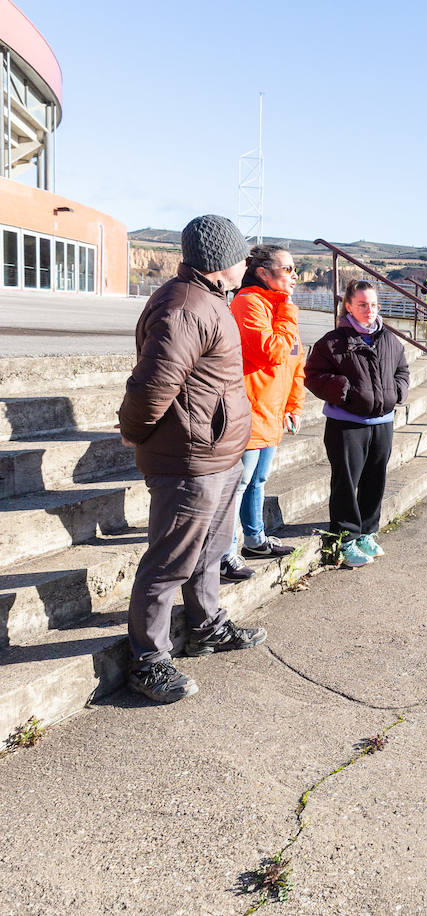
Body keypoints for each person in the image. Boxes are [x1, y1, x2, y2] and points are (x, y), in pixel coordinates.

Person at [117, 214, 265, 703]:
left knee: (209, 552)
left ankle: (206, 627)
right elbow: (154, 384)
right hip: (188, 460)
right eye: (243, 256)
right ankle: (149, 660)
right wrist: (134, 432)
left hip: (218, 455)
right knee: (170, 561)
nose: (247, 264)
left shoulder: (210, 299)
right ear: (224, 262)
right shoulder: (185, 306)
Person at [304, 280, 410, 569]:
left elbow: (402, 370)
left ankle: (366, 533)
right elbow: (313, 375)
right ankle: (345, 539)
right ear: (348, 306)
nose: (369, 310)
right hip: (346, 425)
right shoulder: (333, 342)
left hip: (382, 422)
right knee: (346, 483)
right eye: (362, 304)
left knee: (375, 480)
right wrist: (345, 392)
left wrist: (397, 392)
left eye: (373, 305)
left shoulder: (389, 339)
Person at [222, 245, 306, 581]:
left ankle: (254, 539)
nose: (294, 276)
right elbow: (271, 352)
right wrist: (286, 313)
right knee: (238, 484)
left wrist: (293, 406)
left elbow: (295, 361)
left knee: (258, 480)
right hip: (250, 409)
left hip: (272, 411)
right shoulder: (248, 303)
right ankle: (226, 553)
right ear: (263, 272)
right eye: (287, 269)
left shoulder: (281, 306)